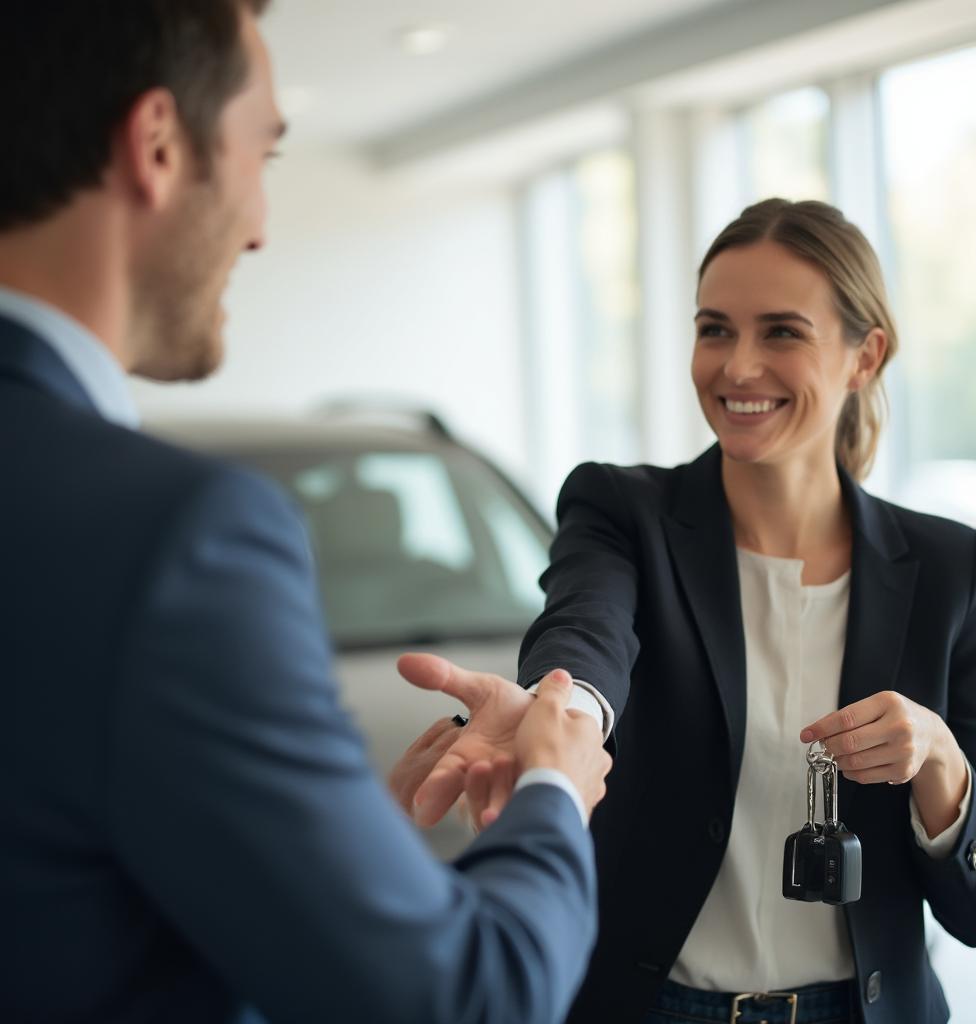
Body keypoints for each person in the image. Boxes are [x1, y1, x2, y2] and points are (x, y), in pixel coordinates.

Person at [0, 3, 612, 1023]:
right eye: (261, 154)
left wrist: (309, 864)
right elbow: (467, 998)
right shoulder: (176, 536)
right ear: (157, 145)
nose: (260, 226)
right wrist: (553, 786)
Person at [404, 198, 976, 1024]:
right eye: (714, 329)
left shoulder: (948, 567)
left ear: (864, 356)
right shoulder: (624, 511)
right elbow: (586, 626)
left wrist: (940, 762)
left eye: (781, 332)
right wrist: (566, 709)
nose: (735, 367)